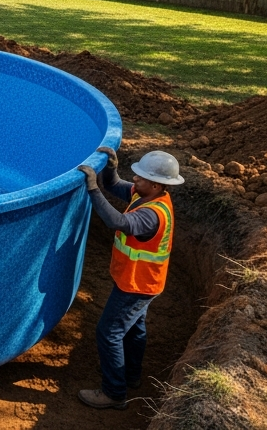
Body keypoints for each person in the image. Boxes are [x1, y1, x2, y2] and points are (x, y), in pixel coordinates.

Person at [76, 147, 183, 410]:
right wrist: (111, 167)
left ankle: (114, 392)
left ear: (157, 185)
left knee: (109, 333)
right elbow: (114, 184)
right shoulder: (147, 195)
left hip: (136, 286)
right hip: (143, 281)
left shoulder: (151, 215)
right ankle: (132, 376)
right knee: (135, 328)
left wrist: (92, 189)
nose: (134, 179)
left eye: (140, 177)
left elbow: (117, 222)